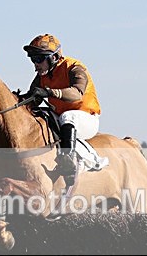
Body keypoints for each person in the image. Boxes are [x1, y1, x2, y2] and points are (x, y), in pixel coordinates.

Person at [21, 34, 101, 177]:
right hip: (61, 119)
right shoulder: (42, 75)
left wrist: (49, 92)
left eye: (39, 59)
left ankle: (68, 160)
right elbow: (31, 100)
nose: (35, 64)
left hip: (86, 118)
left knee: (67, 116)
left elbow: (77, 93)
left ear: (53, 57)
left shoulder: (74, 68)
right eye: (33, 59)